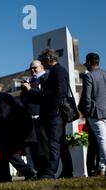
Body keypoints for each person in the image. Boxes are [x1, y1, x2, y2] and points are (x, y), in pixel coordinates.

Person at [0, 84, 37, 182]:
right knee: (2, 151)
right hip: (12, 129)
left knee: (8, 152)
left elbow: (2, 117)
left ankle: (29, 172)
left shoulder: (2, 99)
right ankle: (3, 177)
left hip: (20, 128)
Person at [37, 49, 72, 179]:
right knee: (60, 143)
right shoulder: (56, 71)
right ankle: (68, 171)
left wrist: (54, 110)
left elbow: (60, 92)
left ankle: (50, 172)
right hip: (56, 113)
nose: (42, 62)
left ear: (49, 58)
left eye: (43, 60)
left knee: (54, 142)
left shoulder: (58, 71)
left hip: (56, 114)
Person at [79, 52, 106, 176]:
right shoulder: (104, 74)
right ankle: (102, 167)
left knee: (102, 140)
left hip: (95, 113)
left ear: (89, 62)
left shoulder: (89, 76)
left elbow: (87, 97)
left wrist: (87, 111)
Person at [21, 60, 49, 175]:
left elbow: (43, 95)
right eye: (31, 68)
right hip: (29, 118)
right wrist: (25, 90)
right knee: (32, 148)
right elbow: (24, 99)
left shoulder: (46, 78)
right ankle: (37, 171)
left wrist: (30, 89)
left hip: (40, 117)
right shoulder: (31, 80)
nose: (32, 70)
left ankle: (46, 171)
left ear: (42, 66)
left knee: (43, 147)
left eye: (35, 68)